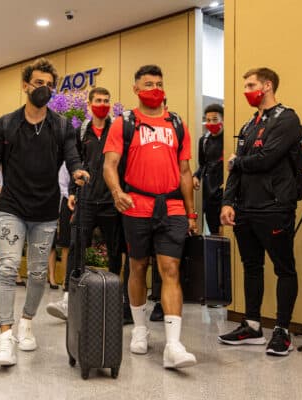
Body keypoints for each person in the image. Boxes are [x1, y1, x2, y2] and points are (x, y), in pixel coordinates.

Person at [0, 58, 88, 367]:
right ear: (25, 85)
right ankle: (5, 336)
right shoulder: (6, 124)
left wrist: (78, 173)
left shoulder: (63, 126)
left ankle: (27, 321)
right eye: (38, 83)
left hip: (45, 211)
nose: (44, 89)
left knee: (39, 273)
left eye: (49, 85)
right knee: (8, 267)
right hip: (11, 206)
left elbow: (72, 158)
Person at [103, 65, 198, 369]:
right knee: (138, 266)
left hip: (172, 208)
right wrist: (117, 192)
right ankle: (140, 330)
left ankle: (173, 344)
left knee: (170, 267)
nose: (155, 88)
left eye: (159, 83)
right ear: (135, 89)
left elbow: (185, 172)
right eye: (148, 84)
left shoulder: (177, 124)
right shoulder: (124, 123)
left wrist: (191, 211)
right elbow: (110, 164)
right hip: (137, 206)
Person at [219, 67, 301, 356]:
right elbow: (235, 168)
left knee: (284, 268)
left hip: (274, 208)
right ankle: (252, 326)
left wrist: (236, 161)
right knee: (251, 267)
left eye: (251, 85)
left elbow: (267, 158)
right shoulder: (248, 124)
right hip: (245, 209)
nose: (246, 90)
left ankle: (282, 330)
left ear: (267, 85)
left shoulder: (287, 118)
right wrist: (227, 202)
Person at [46, 87, 128, 322]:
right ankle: (69, 300)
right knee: (76, 248)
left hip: (112, 202)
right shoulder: (81, 131)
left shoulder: (118, 130)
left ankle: (113, 300)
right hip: (86, 200)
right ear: (90, 104)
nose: (103, 103)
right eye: (99, 100)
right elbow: (75, 163)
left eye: (106, 100)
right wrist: (72, 191)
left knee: (115, 253)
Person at [193, 104, 224, 235]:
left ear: (222, 119)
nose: (211, 123)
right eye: (208, 120)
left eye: (215, 119)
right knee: (214, 232)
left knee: (225, 231)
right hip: (209, 193)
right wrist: (196, 176)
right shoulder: (204, 141)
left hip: (224, 193)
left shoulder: (228, 139)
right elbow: (203, 164)